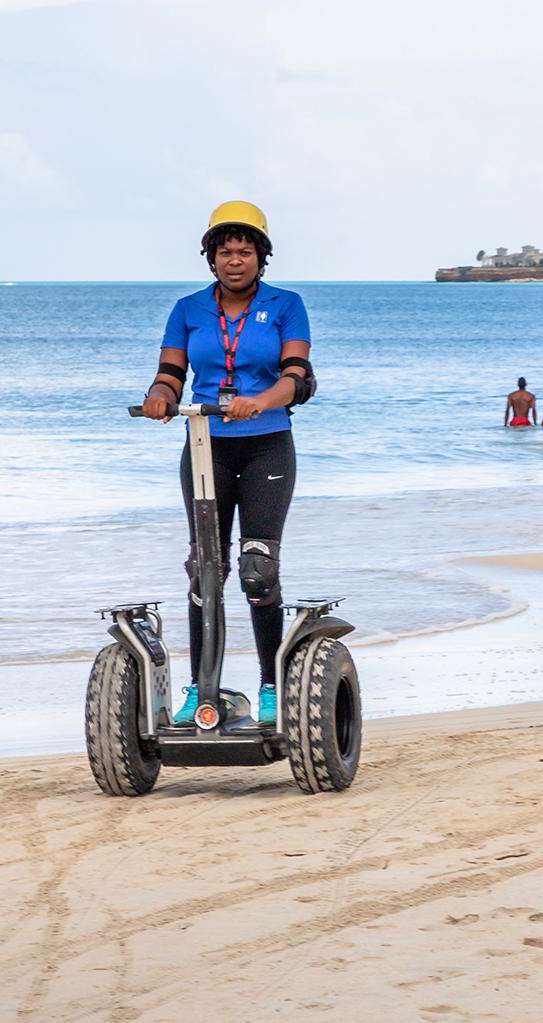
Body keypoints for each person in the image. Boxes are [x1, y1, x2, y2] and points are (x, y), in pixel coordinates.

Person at [141, 201, 316, 725]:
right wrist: (158, 395)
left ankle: (270, 684)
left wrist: (261, 401)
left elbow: (298, 376)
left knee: (258, 570)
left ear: (261, 258)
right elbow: (171, 372)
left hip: (267, 445)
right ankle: (203, 690)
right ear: (210, 258)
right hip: (204, 446)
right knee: (205, 572)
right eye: (224, 251)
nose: (234, 260)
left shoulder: (286, 305)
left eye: (244, 251)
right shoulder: (188, 309)